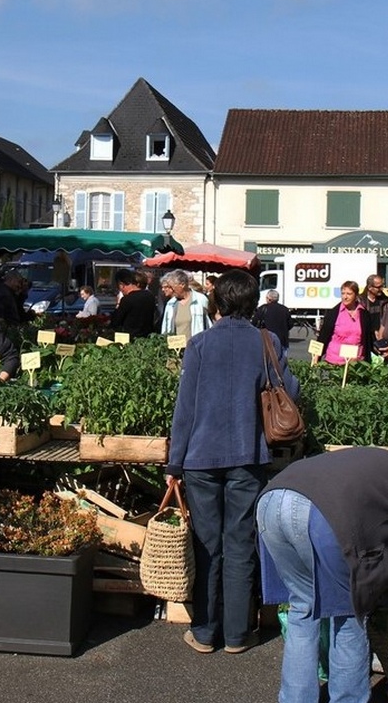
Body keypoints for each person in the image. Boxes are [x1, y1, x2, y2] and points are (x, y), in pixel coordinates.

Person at [257, 435, 388, 703]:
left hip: (271, 499)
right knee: (349, 615)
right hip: (318, 512)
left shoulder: (373, 462)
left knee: (302, 609)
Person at [167, 269, 299, 656]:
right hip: (248, 454)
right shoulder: (266, 341)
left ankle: (206, 632)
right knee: (241, 542)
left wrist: (174, 465)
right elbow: (290, 389)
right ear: (252, 302)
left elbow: (185, 410)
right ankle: (239, 634)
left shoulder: (200, 345)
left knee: (207, 544)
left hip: (200, 458)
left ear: (217, 303)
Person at [316, 280, 372, 364]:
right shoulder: (333, 313)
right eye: (343, 293)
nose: (345, 297)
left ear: (356, 295)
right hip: (335, 361)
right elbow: (323, 337)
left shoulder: (364, 314)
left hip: (356, 362)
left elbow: (368, 339)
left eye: (349, 294)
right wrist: (316, 358)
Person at [159, 269, 212, 339]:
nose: (171, 290)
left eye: (172, 287)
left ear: (182, 285)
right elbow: (165, 329)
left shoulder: (201, 300)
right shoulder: (170, 304)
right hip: (176, 348)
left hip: (196, 347)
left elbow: (209, 325)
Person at [108, 268, 157, 339]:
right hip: (147, 336)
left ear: (121, 285)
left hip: (130, 338)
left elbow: (115, 322)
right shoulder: (150, 296)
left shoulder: (127, 299)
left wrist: (118, 304)